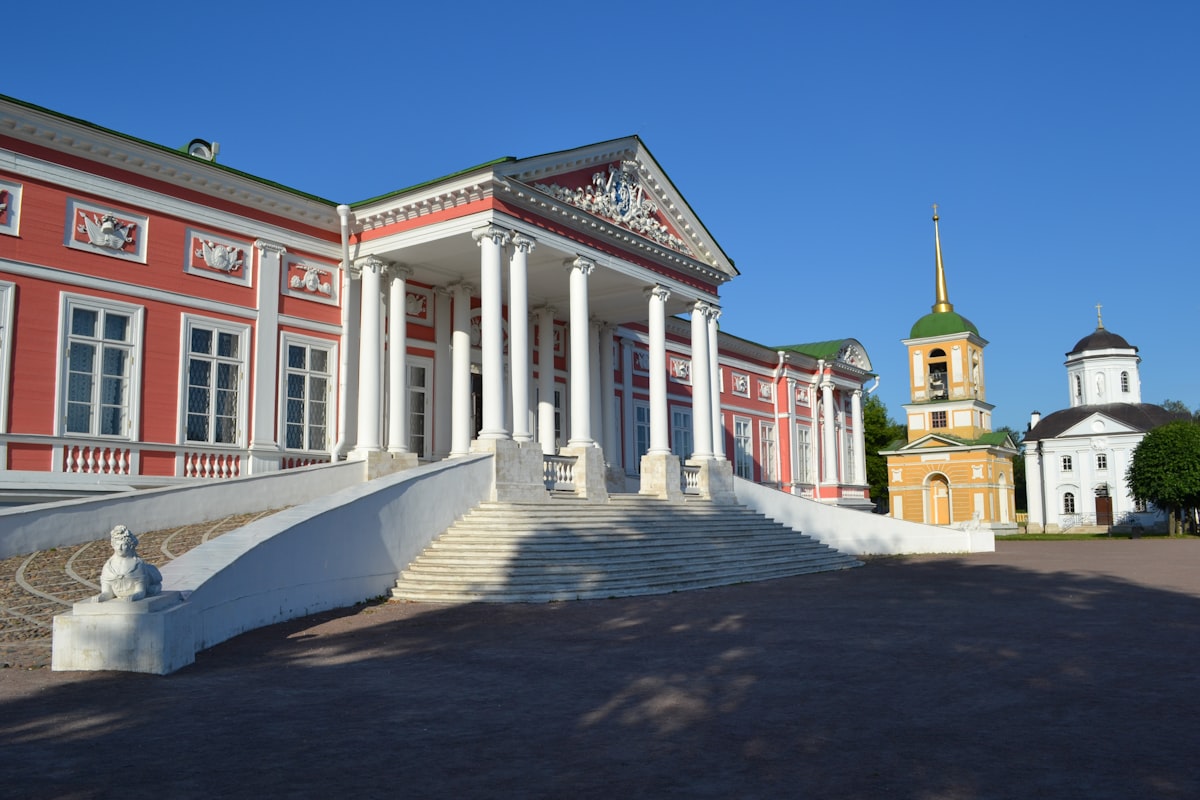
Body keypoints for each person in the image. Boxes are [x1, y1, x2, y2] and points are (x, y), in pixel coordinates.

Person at [97, 525, 163, 602]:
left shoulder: (138, 565)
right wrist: (103, 596)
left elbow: (140, 591)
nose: (120, 548)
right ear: (113, 545)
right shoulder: (108, 567)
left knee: (149, 573)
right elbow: (107, 591)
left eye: (124, 545)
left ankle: (154, 585)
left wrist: (135, 596)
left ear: (130, 546)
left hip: (137, 590)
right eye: (117, 544)